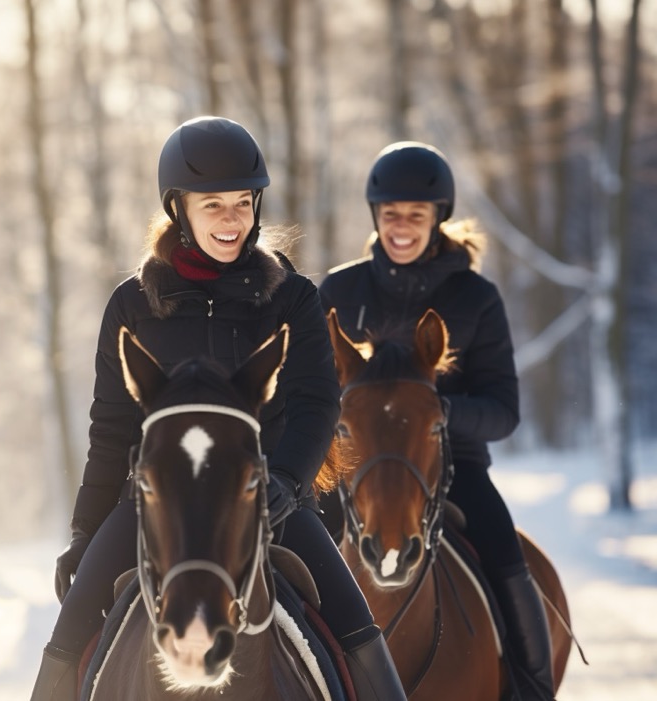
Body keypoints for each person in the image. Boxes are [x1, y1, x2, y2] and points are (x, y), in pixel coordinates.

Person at [30, 116, 406, 701]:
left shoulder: (293, 298)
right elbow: (111, 430)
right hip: (155, 504)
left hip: (271, 501)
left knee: (360, 636)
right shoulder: (131, 306)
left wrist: (286, 480)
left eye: (243, 203)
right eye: (213, 205)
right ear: (178, 209)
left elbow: (316, 403)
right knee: (66, 640)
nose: (232, 220)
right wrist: (85, 531)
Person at [318, 141, 556, 700]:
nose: (401, 226)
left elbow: (504, 411)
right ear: (375, 216)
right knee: (291, 553)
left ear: (438, 218)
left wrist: (439, 414)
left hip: (452, 463)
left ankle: (531, 686)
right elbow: (309, 392)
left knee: (504, 553)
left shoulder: (476, 298)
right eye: (391, 213)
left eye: (416, 214)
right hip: (354, 464)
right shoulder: (338, 292)